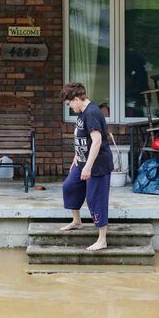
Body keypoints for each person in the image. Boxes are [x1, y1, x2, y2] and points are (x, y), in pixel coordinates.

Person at [59, 82, 114, 251]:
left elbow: (97, 141)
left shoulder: (91, 113)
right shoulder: (82, 113)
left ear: (76, 99)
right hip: (82, 162)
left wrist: (88, 167)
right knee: (70, 186)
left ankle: (102, 239)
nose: (70, 107)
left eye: (69, 104)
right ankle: (77, 221)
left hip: (97, 166)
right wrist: (77, 157)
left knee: (96, 199)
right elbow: (83, 139)